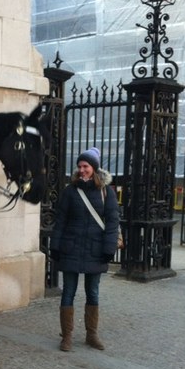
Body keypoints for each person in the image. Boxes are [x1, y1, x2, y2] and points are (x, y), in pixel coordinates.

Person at [49, 147, 119, 352]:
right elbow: (60, 221)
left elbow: (113, 222)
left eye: (85, 166)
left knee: (93, 293)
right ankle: (67, 336)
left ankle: (91, 334)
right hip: (71, 247)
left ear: (94, 168)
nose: (82, 170)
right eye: (79, 166)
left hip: (95, 249)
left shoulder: (107, 192)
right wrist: (55, 245)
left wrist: (108, 248)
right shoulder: (70, 191)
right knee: (68, 292)